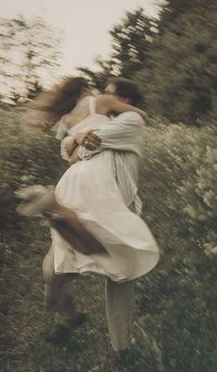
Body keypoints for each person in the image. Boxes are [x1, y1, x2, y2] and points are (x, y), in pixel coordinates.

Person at [19, 77, 159, 355]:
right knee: (70, 262)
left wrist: (75, 140)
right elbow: (74, 150)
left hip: (102, 191)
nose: (99, 96)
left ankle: (119, 348)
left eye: (108, 94)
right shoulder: (105, 114)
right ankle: (72, 318)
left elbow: (76, 152)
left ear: (125, 101)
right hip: (96, 189)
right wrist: (76, 141)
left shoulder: (130, 122)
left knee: (111, 265)